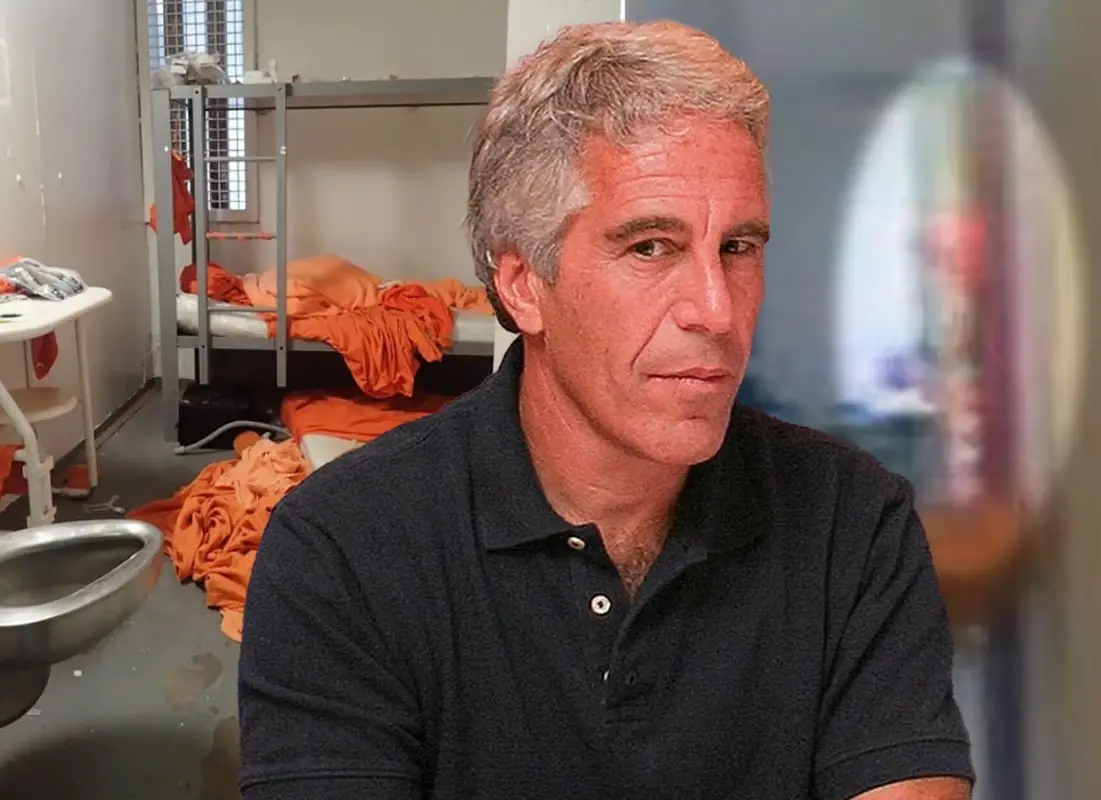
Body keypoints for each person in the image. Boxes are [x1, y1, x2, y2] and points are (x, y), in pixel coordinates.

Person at [238, 20, 975, 800]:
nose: (717, 311)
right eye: (651, 247)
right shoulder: (345, 551)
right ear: (523, 286)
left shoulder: (851, 522)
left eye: (738, 247)